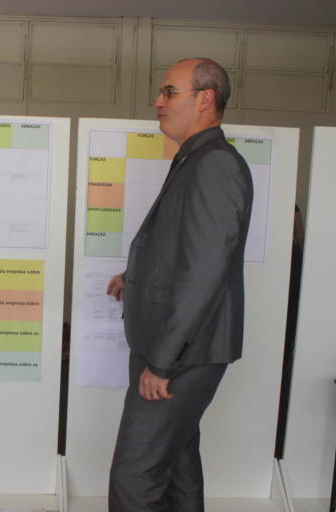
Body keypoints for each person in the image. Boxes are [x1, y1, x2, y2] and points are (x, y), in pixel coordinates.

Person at [105, 58, 254, 511]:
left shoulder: (215, 164)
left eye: (169, 92)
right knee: (177, 464)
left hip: (183, 352)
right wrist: (135, 279)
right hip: (182, 345)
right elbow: (187, 252)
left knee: (136, 473)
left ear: (205, 99)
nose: (158, 101)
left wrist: (163, 363)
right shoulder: (195, 158)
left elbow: (204, 272)